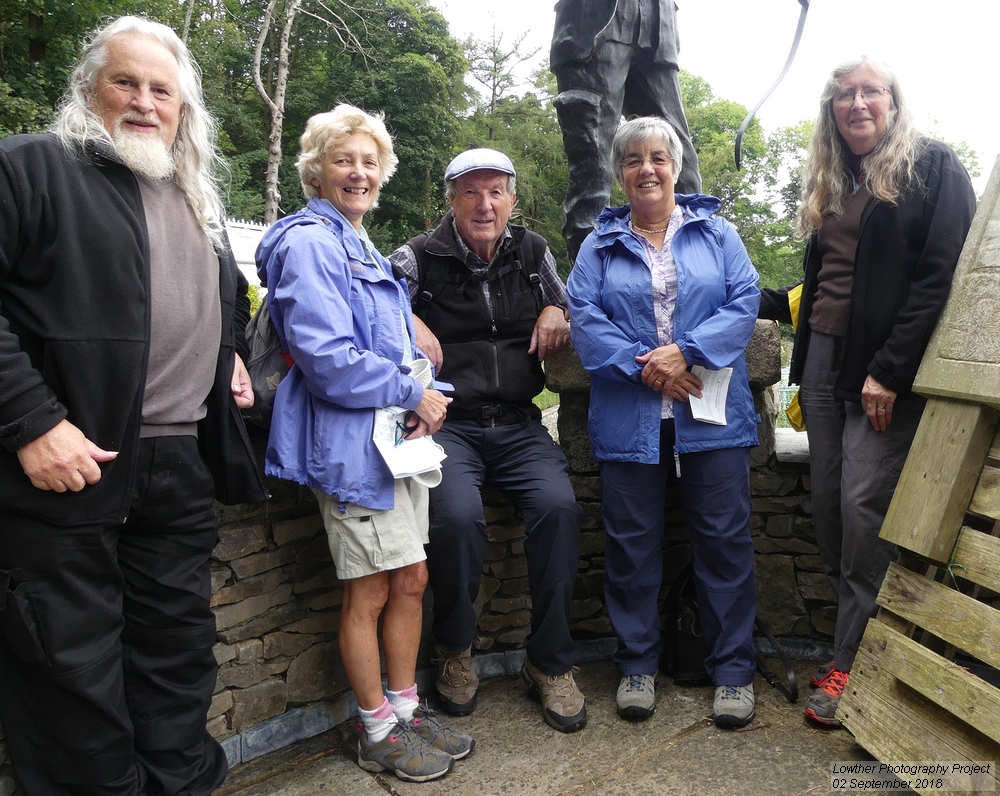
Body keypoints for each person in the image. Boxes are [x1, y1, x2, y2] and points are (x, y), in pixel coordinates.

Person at [0, 16, 267, 796]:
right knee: (69, 668)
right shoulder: (30, 168)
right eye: (127, 82)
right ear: (90, 88)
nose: (145, 102)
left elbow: (227, 306)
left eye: (163, 90)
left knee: (178, 654)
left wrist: (230, 361)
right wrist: (33, 423)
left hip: (178, 465)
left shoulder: (195, 198)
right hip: (65, 466)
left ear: (183, 109)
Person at [758, 57, 976, 728]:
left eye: (870, 92)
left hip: (883, 370)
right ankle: (856, 639)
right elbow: (820, 285)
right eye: (844, 94)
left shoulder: (933, 168)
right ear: (832, 110)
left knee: (863, 510)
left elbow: (941, 276)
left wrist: (891, 369)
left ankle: (858, 662)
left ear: (893, 101)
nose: (857, 103)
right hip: (822, 360)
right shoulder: (834, 180)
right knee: (827, 504)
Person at [257, 104, 471, 783]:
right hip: (348, 449)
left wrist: (425, 392)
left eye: (369, 161)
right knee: (371, 592)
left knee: (411, 577)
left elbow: (395, 348)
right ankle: (375, 727)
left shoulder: (360, 242)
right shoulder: (309, 244)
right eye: (343, 159)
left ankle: (405, 710)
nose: (358, 172)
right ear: (316, 169)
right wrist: (413, 394)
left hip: (392, 444)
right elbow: (326, 358)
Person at [566, 116, 761, 728]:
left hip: (711, 413)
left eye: (658, 158)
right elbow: (584, 315)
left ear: (676, 167)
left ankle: (732, 671)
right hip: (630, 415)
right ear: (619, 172)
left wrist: (689, 351)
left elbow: (745, 297)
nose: (646, 169)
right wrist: (649, 368)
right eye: (633, 160)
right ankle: (636, 666)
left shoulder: (716, 232)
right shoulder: (598, 246)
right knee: (630, 547)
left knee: (724, 543)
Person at [389, 148, 586, 733]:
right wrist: (409, 318)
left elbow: (572, 296)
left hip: (520, 424)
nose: (484, 204)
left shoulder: (532, 251)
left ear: (512, 199)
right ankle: (455, 652)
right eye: (470, 192)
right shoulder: (419, 255)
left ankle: (549, 664)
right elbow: (367, 295)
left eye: (496, 191)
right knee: (455, 519)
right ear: (450, 201)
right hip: (451, 427)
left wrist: (556, 307)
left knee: (560, 509)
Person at [551, 0, 702, 262]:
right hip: (592, 27)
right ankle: (590, 285)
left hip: (658, 27)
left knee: (682, 168)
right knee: (592, 169)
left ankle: (698, 271)